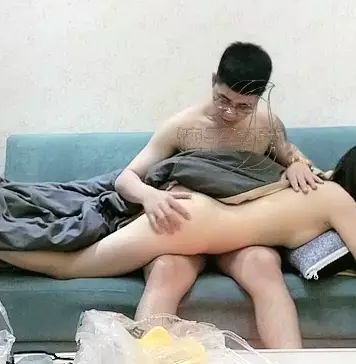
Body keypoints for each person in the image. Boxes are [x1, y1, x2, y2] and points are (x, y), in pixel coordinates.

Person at [0, 145, 356, 296]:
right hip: (187, 222)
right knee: (68, 265)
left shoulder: (318, 181)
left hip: (197, 214)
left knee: (71, 259)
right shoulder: (338, 201)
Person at [117, 42, 321, 348]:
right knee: (166, 270)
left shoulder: (266, 125)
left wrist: (298, 165)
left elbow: (292, 156)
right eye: (223, 99)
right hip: (186, 234)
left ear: (258, 99)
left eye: (243, 106)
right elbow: (126, 178)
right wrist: (149, 196)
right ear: (214, 80)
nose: (229, 112)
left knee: (264, 265)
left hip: (239, 232)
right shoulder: (183, 126)